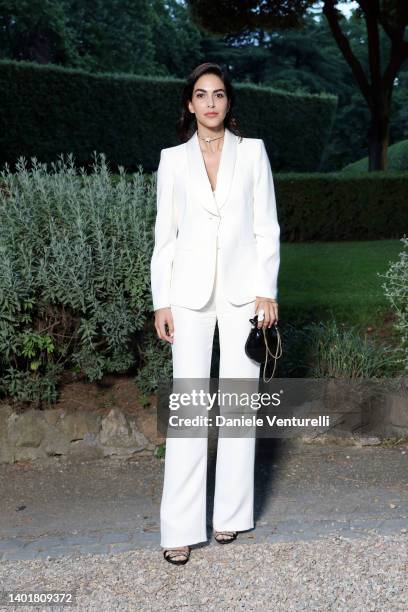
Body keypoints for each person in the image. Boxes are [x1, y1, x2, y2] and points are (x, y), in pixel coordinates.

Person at [150, 62, 280, 565]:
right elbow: (166, 236)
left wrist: (266, 291)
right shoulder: (173, 160)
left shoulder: (253, 153)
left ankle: (229, 515)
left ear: (229, 102)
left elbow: (266, 226)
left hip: (244, 294)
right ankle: (178, 529)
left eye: (219, 95)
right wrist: (161, 299)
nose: (210, 103)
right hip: (187, 295)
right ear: (189, 104)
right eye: (201, 95)